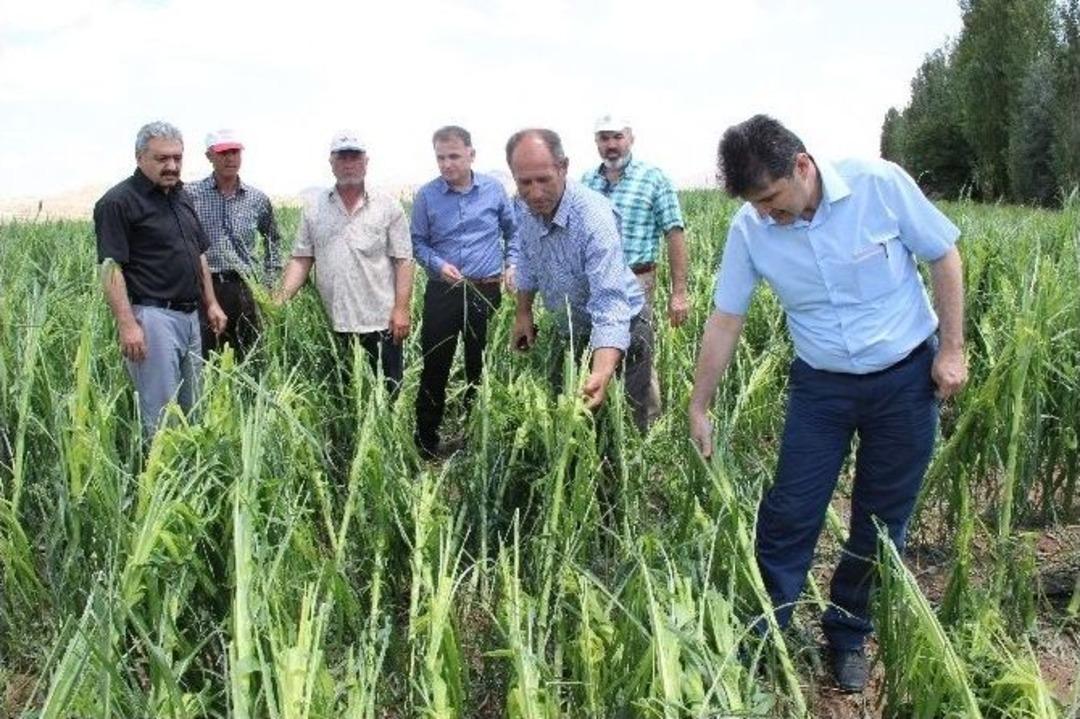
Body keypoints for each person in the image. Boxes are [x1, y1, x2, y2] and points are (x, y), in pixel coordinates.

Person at [688, 114, 967, 693]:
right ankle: (766, 632)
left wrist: (953, 350)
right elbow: (725, 318)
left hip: (905, 379)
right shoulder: (751, 227)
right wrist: (699, 404)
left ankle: (847, 634)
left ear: (803, 166)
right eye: (757, 205)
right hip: (821, 387)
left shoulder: (878, 184)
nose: (767, 214)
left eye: (772, 198)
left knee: (881, 519)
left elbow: (944, 255)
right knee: (790, 509)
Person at [507, 128, 656, 432]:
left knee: (624, 429)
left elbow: (610, 302)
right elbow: (526, 257)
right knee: (575, 425)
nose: (535, 193)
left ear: (563, 167)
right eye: (525, 182)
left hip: (624, 329)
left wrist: (601, 371)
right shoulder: (522, 207)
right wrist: (523, 311)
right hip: (573, 332)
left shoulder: (592, 216)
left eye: (544, 180)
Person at [94, 121, 228, 441]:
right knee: (162, 415)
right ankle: (161, 484)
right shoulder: (118, 202)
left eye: (177, 158)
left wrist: (210, 303)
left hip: (190, 316)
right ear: (140, 157)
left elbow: (199, 255)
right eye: (162, 158)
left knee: (194, 408)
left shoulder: (181, 197)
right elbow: (111, 268)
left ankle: (190, 478)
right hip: (153, 318)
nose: (171, 166)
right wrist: (128, 324)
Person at [276, 130, 413, 397]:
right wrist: (279, 300)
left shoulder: (388, 206)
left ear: (366, 161)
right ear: (332, 163)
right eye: (342, 157)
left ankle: (388, 440)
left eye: (355, 156)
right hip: (334, 324)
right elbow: (302, 259)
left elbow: (404, 261)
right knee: (342, 397)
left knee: (387, 395)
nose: (349, 163)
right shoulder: (315, 208)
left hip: (380, 322)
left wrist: (401, 309)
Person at [411, 125, 517, 459]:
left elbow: (513, 232)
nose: (446, 164)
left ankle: (477, 440)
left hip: (486, 291)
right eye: (440, 158)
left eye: (454, 156)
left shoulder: (494, 190)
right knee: (435, 366)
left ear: (471, 154)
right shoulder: (427, 196)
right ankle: (427, 443)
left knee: (481, 365)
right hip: (442, 292)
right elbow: (418, 242)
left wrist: (512, 264)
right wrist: (438, 264)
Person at [582, 114, 689, 425]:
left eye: (617, 137)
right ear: (596, 142)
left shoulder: (653, 179)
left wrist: (679, 293)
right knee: (596, 348)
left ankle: (646, 428)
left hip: (637, 279)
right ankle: (601, 424)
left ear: (630, 138)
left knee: (638, 351)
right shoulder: (587, 182)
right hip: (594, 280)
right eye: (604, 138)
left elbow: (674, 233)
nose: (611, 145)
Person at [186, 128, 282, 359]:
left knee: (250, 356)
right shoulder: (191, 195)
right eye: (223, 152)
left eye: (235, 152)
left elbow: (273, 240)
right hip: (205, 288)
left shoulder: (256, 199)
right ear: (209, 156)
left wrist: (268, 285)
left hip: (246, 288)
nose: (230, 158)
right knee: (206, 357)